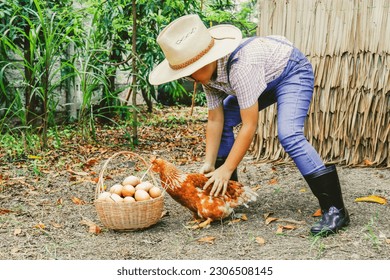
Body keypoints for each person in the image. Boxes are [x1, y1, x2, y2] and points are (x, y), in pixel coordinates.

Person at [149, 14, 350, 236]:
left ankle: (334, 209)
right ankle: (228, 195)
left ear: (207, 59)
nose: (189, 78)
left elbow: (249, 125)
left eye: (190, 71)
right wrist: (209, 162)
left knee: (288, 134)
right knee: (224, 118)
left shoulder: (241, 65)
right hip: (260, 78)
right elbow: (216, 119)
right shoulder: (205, 76)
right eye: (184, 73)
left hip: (290, 71)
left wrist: (226, 168)